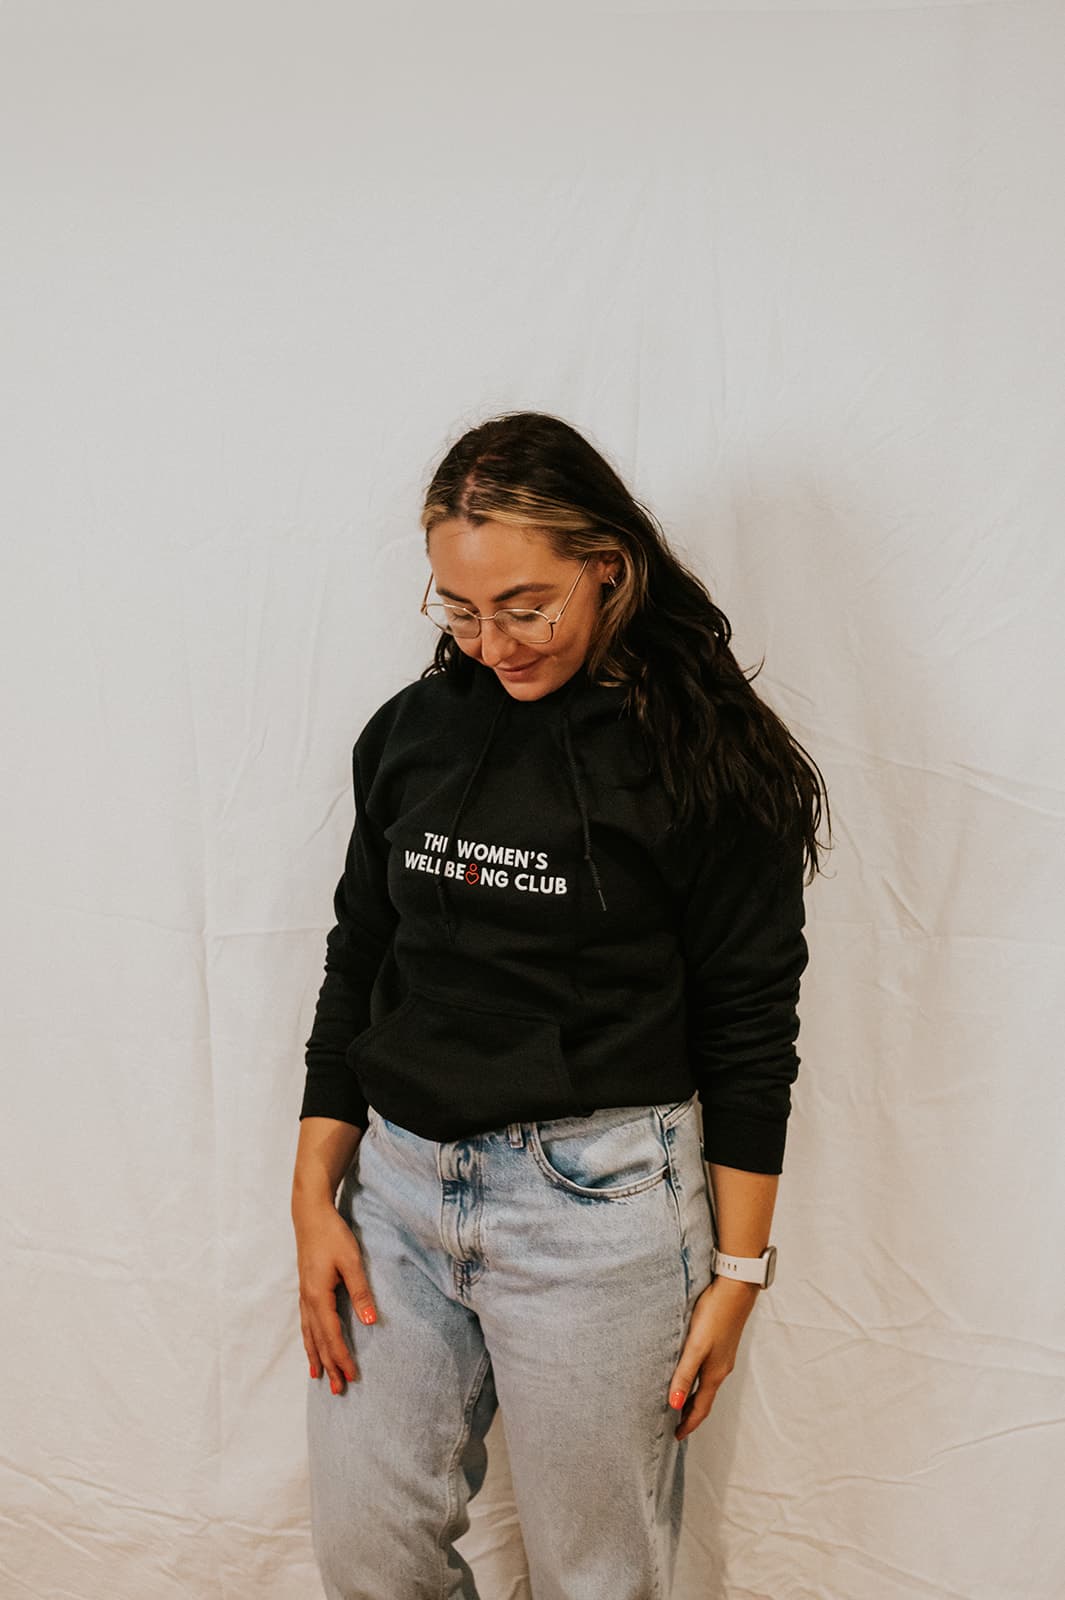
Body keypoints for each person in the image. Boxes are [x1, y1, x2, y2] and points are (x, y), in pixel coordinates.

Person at [291, 411, 830, 1600]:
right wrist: (311, 1195)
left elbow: (753, 1030)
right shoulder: (412, 734)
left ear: (609, 565)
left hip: (599, 1208)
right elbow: (361, 953)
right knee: (369, 1556)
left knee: (597, 1576)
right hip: (397, 1194)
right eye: (461, 609)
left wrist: (739, 1274)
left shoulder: (702, 756)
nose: (493, 643)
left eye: (526, 606)